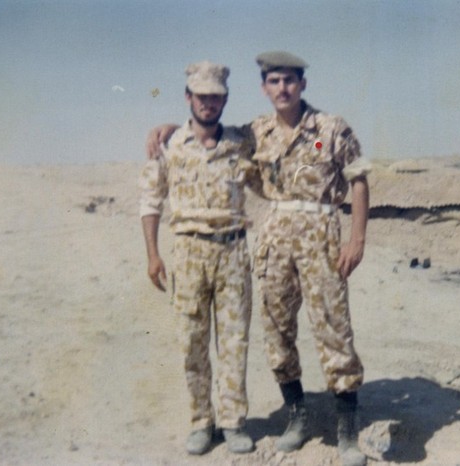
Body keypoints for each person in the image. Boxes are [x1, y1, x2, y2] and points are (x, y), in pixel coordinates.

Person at [146, 51, 371, 466]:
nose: (282, 88)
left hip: (320, 234)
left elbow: (357, 177)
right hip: (275, 238)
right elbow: (210, 134)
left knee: (333, 327)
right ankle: (297, 416)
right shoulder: (256, 134)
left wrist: (356, 239)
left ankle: (347, 431)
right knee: (276, 329)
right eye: (274, 81)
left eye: (289, 80)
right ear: (264, 88)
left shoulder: (327, 130)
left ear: (302, 84)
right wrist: (170, 129)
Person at [139, 60, 260, 456]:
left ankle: (233, 422)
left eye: (216, 96)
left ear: (225, 99)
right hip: (189, 251)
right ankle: (201, 422)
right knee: (192, 342)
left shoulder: (242, 142)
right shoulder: (169, 145)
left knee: (234, 341)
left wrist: (318, 149)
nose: (209, 103)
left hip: (233, 251)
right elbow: (150, 200)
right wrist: (153, 254)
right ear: (188, 97)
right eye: (201, 96)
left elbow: (288, 144)